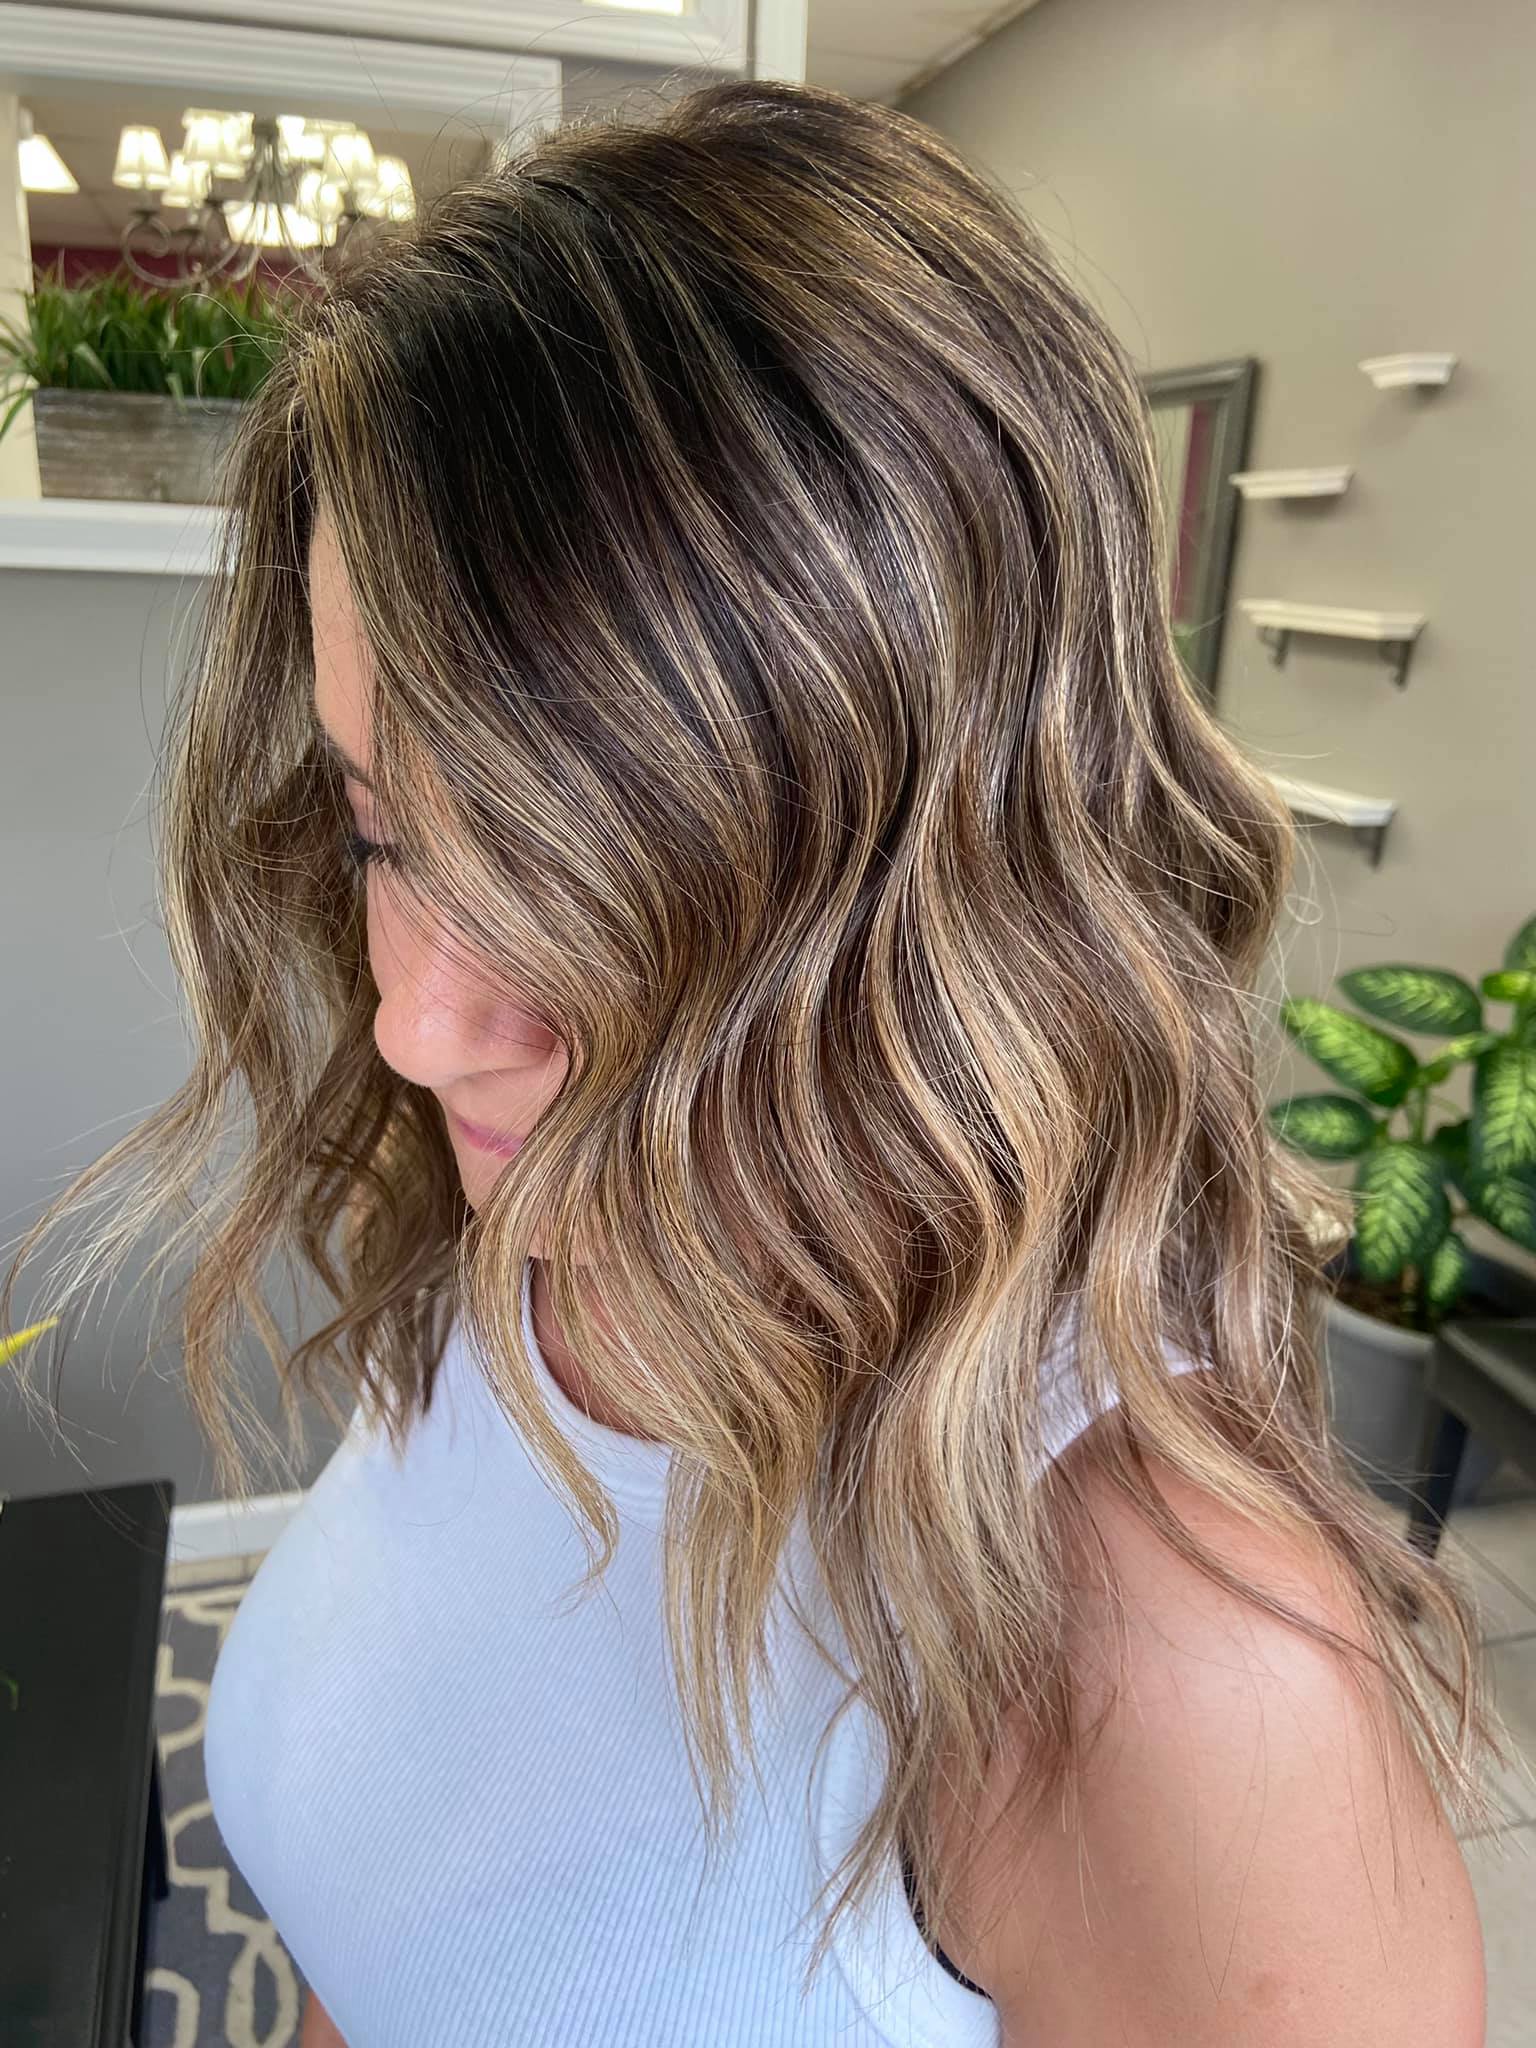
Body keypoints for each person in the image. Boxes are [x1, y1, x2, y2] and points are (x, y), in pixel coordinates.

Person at [6, 77, 1494, 2048]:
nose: (415, 1026)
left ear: (953, 891)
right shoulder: (529, 1242)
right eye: (384, 838)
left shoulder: (1176, 1682)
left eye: (569, 884)